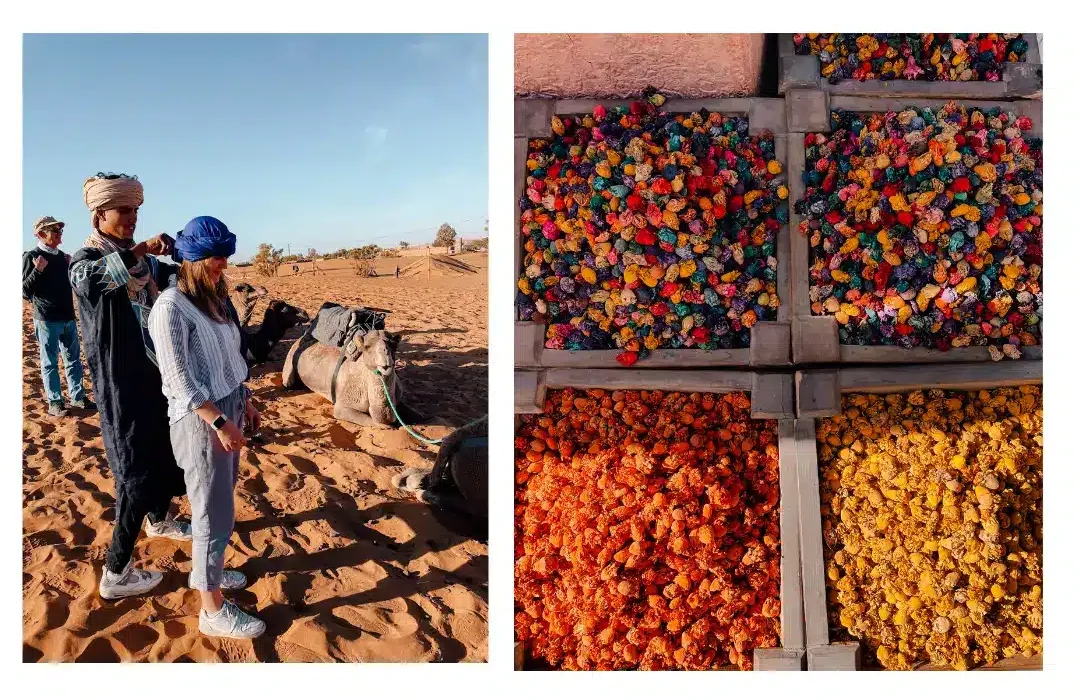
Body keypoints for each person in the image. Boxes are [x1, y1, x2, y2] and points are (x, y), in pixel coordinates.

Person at [69, 173, 193, 600]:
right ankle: (116, 572)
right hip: (119, 381)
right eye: (124, 211)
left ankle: (159, 519)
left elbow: (180, 277)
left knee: (165, 450)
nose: (132, 218)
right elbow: (94, 281)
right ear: (100, 213)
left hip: (155, 375)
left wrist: (185, 252)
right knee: (134, 472)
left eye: (137, 211)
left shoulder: (144, 263)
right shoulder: (83, 259)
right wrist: (139, 250)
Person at [148, 215, 266, 639]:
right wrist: (218, 421)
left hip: (228, 409)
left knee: (221, 506)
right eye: (217, 259)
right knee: (212, 514)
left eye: (225, 258)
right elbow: (178, 379)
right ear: (194, 260)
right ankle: (211, 609)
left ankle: (206, 574)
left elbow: (232, 357)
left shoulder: (213, 300)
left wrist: (245, 402)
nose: (224, 266)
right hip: (202, 422)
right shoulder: (169, 308)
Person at [22, 216, 94, 417]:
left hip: (68, 317)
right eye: (54, 230)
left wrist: (71, 268)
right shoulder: (32, 257)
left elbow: (73, 286)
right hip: (46, 319)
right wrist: (38, 270)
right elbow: (24, 291)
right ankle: (55, 402)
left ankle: (78, 398)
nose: (59, 233)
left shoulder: (63, 257)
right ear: (40, 234)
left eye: (60, 230)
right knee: (49, 363)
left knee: (73, 361)